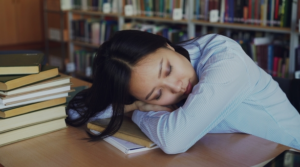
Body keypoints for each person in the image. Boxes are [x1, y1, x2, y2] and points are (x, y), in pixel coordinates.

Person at [66, 30, 300, 154]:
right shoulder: (143, 81)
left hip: (287, 153)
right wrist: (133, 103)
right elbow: (78, 111)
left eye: (167, 69)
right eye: (156, 96)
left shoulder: (226, 60)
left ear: (166, 44)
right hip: (236, 150)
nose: (176, 86)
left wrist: (138, 111)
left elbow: (174, 140)